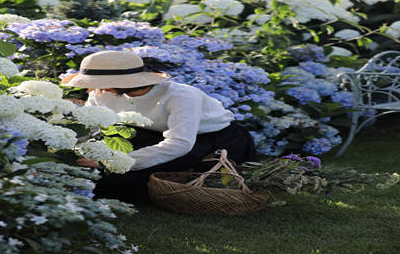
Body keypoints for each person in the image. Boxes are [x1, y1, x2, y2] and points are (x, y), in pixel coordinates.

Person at [61, 50, 256, 202]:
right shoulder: (101, 93)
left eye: (96, 82)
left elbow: (179, 143)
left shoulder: (181, 96)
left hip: (208, 141)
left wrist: (113, 160)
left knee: (118, 182)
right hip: (148, 135)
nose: (89, 88)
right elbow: (90, 124)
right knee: (83, 170)